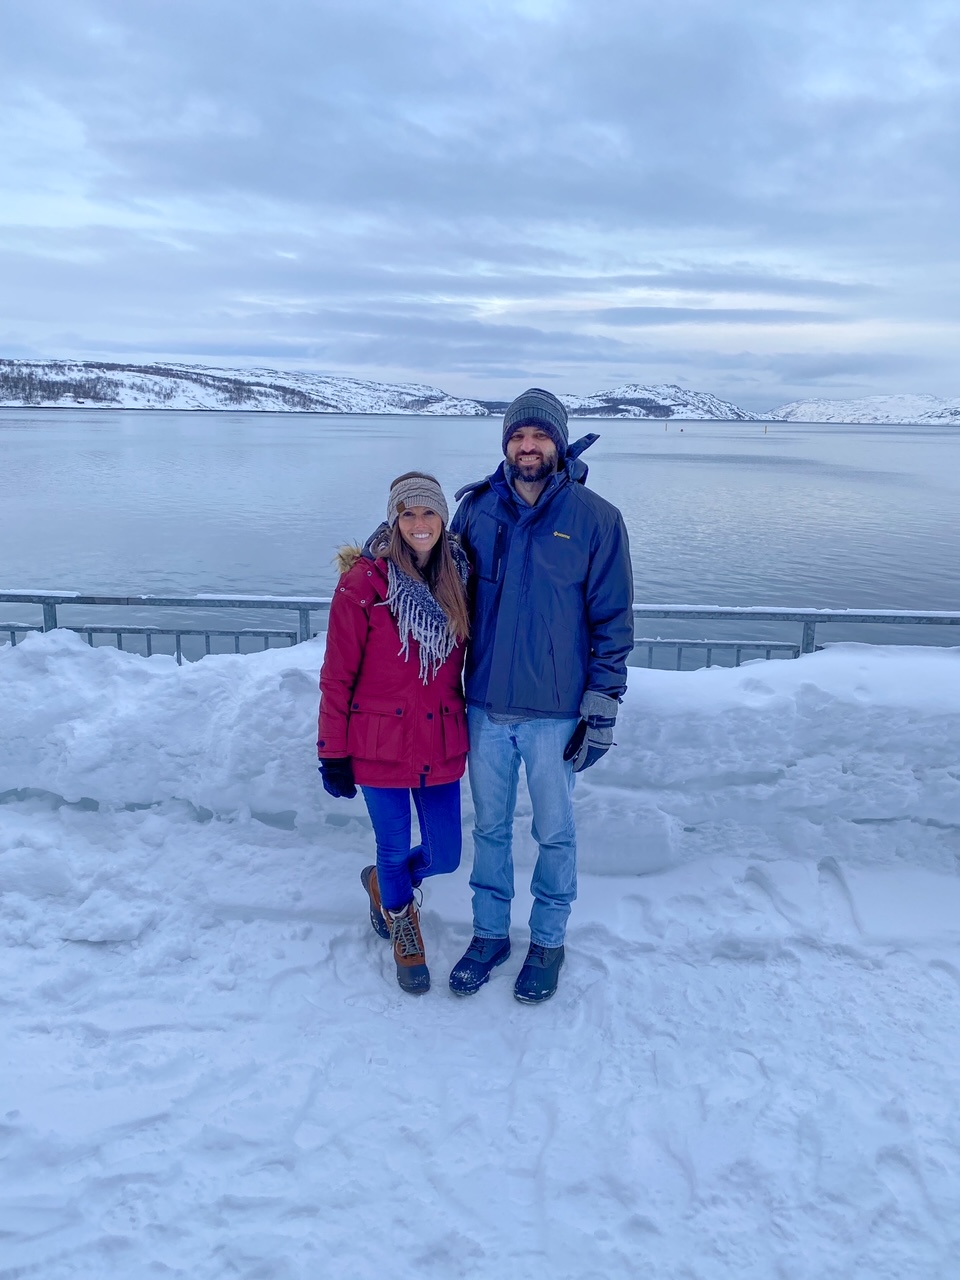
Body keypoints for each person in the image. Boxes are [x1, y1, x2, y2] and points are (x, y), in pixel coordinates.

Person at [448, 388, 634, 1003]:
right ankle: (489, 935)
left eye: (539, 436)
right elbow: (440, 589)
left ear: (557, 442)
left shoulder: (596, 518)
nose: (528, 447)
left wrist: (600, 708)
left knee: (555, 832)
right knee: (492, 830)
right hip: (485, 708)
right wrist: (382, 551)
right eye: (517, 437)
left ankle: (548, 941)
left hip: (555, 714)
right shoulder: (476, 512)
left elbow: (613, 621)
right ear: (506, 443)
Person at [317, 472, 470, 995]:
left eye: (429, 513)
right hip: (379, 741)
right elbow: (337, 675)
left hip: (441, 739)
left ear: (443, 519)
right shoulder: (364, 583)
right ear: (394, 520)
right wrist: (332, 753)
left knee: (446, 853)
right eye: (408, 514)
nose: (420, 524)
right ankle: (404, 924)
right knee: (393, 841)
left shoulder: (461, 580)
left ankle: (386, 883)